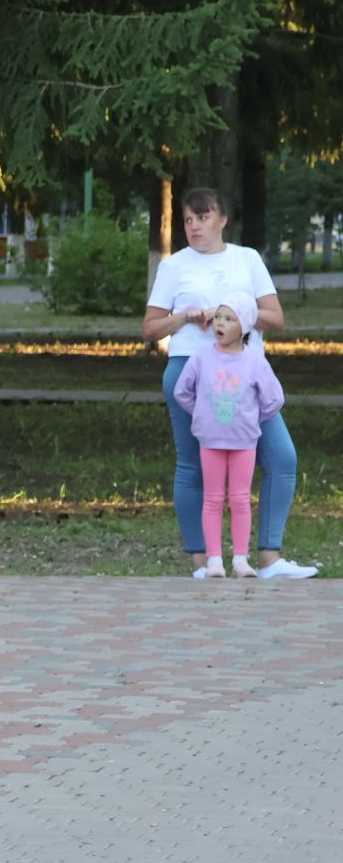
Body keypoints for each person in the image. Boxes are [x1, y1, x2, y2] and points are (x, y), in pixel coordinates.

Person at [143, 188, 316, 579]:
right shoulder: (175, 267)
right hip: (192, 371)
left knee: (282, 457)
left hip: (246, 374)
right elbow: (151, 329)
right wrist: (186, 315)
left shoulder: (247, 259)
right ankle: (203, 563)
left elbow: (275, 317)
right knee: (194, 467)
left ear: (222, 219)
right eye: (188, 220)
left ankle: (269, 559)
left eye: (202, 218)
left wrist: (235, 312)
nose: (194, 226)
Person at [171, 292, 284, 579]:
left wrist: (250, 418)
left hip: (244, 442)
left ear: (244, 326)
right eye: (218, 317)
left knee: (240, 498)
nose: (220, 323)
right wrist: (201, 413)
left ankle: (241, 560)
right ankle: (214, 561)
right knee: (212, 498)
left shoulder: (255, 361)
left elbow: (274, 399)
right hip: (210, 440)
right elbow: (181, 391)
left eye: (229, 318)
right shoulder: (201, 358)